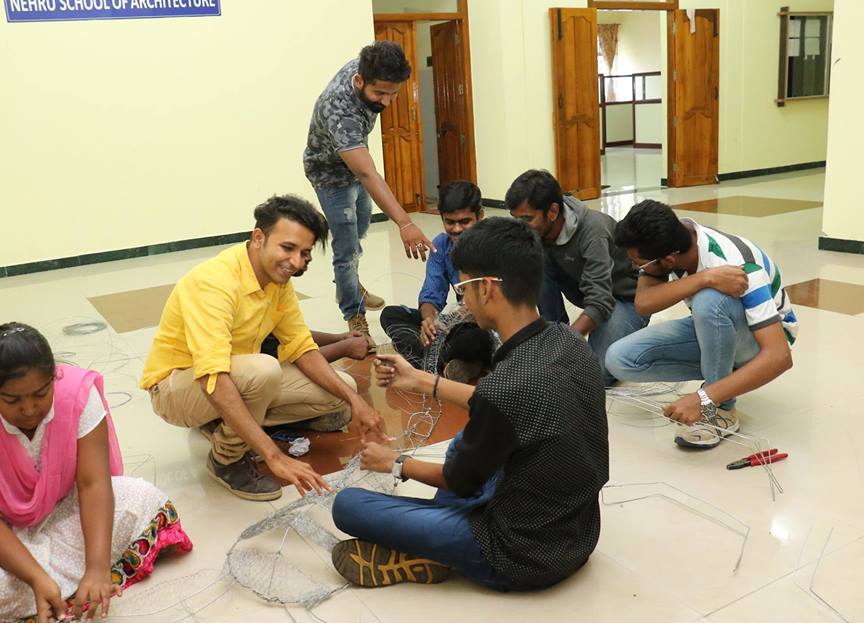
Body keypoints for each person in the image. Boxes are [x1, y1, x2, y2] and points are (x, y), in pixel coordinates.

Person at [330, 218, 609, 592]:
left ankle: (436, 549)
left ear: (487, 288)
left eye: (463, 288)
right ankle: (435, 537)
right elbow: (510, 404)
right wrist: (420, 380)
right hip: (580, 533)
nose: (463, 300)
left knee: (348, 506)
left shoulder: (505, 388)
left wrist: (394, 462)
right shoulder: (568, 340)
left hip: (518, 556)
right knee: (467, 442)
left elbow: (461, 479)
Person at [0, 323, 192, 623]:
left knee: (144, 498)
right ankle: (49, 585)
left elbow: (93, 484)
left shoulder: (78, 393)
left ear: (54, 378)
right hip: (0, 531)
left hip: (65, 509)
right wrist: (36, 578)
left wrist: (97, 569)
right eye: (11, 400)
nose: (29, 409)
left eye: (41, 393)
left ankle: (76, 581)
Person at [140, 195, 386, 502]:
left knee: (341, 389)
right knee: (263, 370)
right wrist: (273, 455)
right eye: (288, 248)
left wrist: (356, 401)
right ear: (259, 237)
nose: (295, 262)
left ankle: (224, 422)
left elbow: (302, 348)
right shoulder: (214, 283)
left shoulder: (278, 282)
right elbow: (211, 376)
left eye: (305, 253)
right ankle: (226, 459)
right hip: (176, 389)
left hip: (237, 378)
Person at [605, 200, 796, 448]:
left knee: (709, 302)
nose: (634, 266)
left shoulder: (738, 265)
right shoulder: (673, 240)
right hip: (716, 324)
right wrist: (705, 278)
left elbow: (780, 357)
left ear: (668, 261)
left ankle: (720, 411)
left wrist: (703, 398)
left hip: (762, 340)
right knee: (619, 359)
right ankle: (721, 378)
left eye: (638, 263)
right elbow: (644, 302)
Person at [304, 40, 437, 346]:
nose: (387, 102)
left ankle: (349, 284)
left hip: (355, 165)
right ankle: (354, 313)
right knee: (347, 249)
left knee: (361, 226)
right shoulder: (340, 109)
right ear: (359, 81)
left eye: (394, 93)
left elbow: (364, 172)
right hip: (330, 176)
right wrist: (405, 222)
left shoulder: (370, 65)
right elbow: (367, 173)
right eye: (380, 94)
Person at [505, 169, 648, 385]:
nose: (520, 227)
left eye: (527, 219)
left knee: (596, 373)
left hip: (625, 300)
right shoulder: (538, 231)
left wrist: (564, 344)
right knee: (536, 260)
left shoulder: (593, 231)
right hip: (590, 293)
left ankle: (625, 333)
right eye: (515, 219)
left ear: (553, 211)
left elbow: (600, 300)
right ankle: (552, 333)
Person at [379, 180, 493, 381]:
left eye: (465, 222)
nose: (456, 229)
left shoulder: (496, 243)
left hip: (484, 325)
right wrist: (429, 321)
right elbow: (432, 294)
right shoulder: (441, 244)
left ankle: (427, 358)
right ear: (441, 217)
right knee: (390, 315)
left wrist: (469, 314)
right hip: (455, 325)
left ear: (480, 215)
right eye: (450, 222)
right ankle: (453, 362)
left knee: (476, 339)